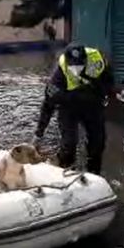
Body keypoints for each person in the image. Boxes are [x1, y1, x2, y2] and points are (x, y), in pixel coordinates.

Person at [34, 44, 114, 174]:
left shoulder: (97, 61)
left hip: (92, 105)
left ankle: (94, 174)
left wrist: (99, 94)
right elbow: (48, 104)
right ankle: (65, 171)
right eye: (72, 66)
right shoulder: (59, 74)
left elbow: (109, 82)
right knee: (69, 143)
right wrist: (39, 133)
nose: (75, 70)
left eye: (79, 65)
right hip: (69, 106)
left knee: (97, 144)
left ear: (85, 61)